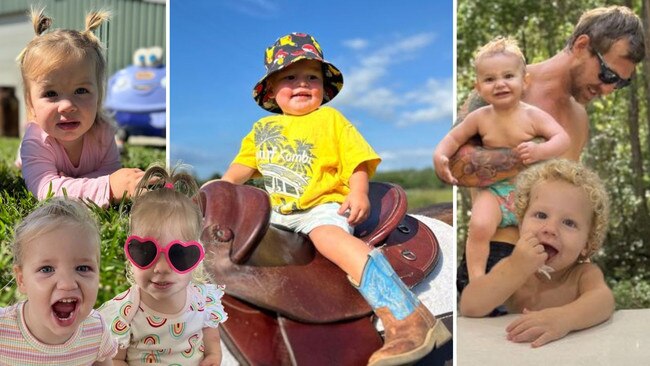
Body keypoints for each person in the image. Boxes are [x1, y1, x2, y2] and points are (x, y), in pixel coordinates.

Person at [221, 32, 451, 365]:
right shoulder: (262, 129)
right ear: (271, 90)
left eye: (311, 77)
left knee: (329, 238)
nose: (302, 84)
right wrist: (222, 187)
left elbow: (356, 159)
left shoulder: (331, 120)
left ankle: (406, 314)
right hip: (279, 214)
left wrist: (358, 191)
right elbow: (241, 168)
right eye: (290, 77)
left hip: (322, 207)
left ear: (324, 88)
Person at [450, 5, 645, 293]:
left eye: (621, 83)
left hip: (553, 271)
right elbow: (456, 167)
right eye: (608, 75)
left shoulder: (579, 119)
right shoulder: (505, 85)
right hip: (497, 259)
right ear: (582, 46)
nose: (608, 90)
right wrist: (538, 154)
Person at [434, 36, 570, 282]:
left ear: (524, 80)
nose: (500, 84)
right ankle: (477, 280)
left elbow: (562, 139)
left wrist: (540, 151)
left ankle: (542, 272)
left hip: (529, 191)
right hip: (495, 191)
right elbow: (453, 139)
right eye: (490, 79)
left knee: (542, 231)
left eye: (508, 76)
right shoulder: (480, 117)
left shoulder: (533, 115)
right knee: (479, 225)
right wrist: (440, 154)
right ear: (479, 87)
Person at [460, 159, 613, 348]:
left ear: (586, 244)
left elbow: (604, 301)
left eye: (569, 223)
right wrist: (515, 268)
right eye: (541, 215)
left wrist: (564, 319)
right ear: (521, 223)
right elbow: (469, 305)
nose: (550, 229)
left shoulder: (582, 275)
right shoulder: (511, 268)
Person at [99, 165, 227, 365]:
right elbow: (115, 359)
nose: (161, 268)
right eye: (146, 252)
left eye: (179, 255)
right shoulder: (126, 311)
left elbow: (212, 342)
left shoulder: (203, 301)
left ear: (197, 258)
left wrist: (212, 357)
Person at [16, 7, 144, 207]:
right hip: (32, 156)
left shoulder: (103, 133)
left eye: (81, 91)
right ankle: (21, 159)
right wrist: (108, 187)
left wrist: (72, 181)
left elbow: (108, 171)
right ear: (31, 102)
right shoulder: (36, 142)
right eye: (50, 94)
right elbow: (47, 190)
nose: (67, 106)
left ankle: (120, 146)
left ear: (98, 96)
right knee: (25, 160)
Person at [0, 198, 118, 364]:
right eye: (47, 269)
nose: (68, 284)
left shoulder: (96, 331)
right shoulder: (3, 330)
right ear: (22, 280)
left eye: (82, 268)